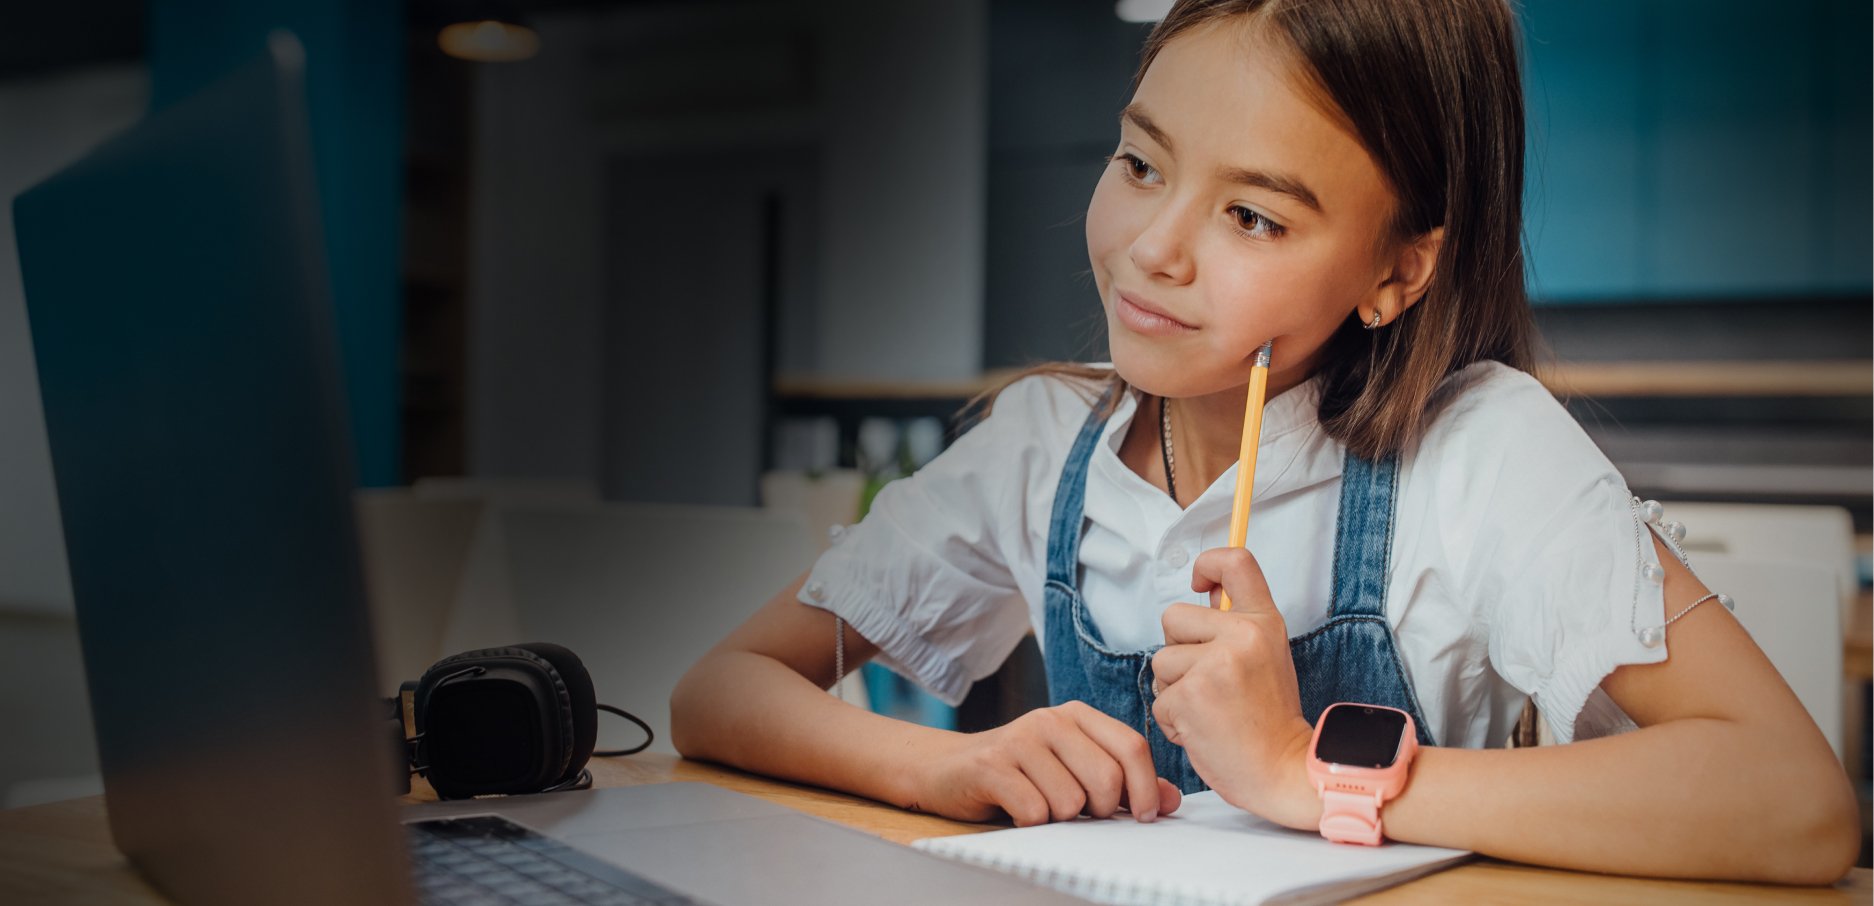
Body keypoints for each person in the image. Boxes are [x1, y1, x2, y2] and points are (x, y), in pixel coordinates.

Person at [671, 0, 1859, 882]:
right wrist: (947, 768)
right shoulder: (1041, 446)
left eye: (1251, 215)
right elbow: (719, 691)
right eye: (1140, 163)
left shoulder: (1476, 454)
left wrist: (1302, 768)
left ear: (1397, 270)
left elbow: (1793, 803)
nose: (1153, 249)